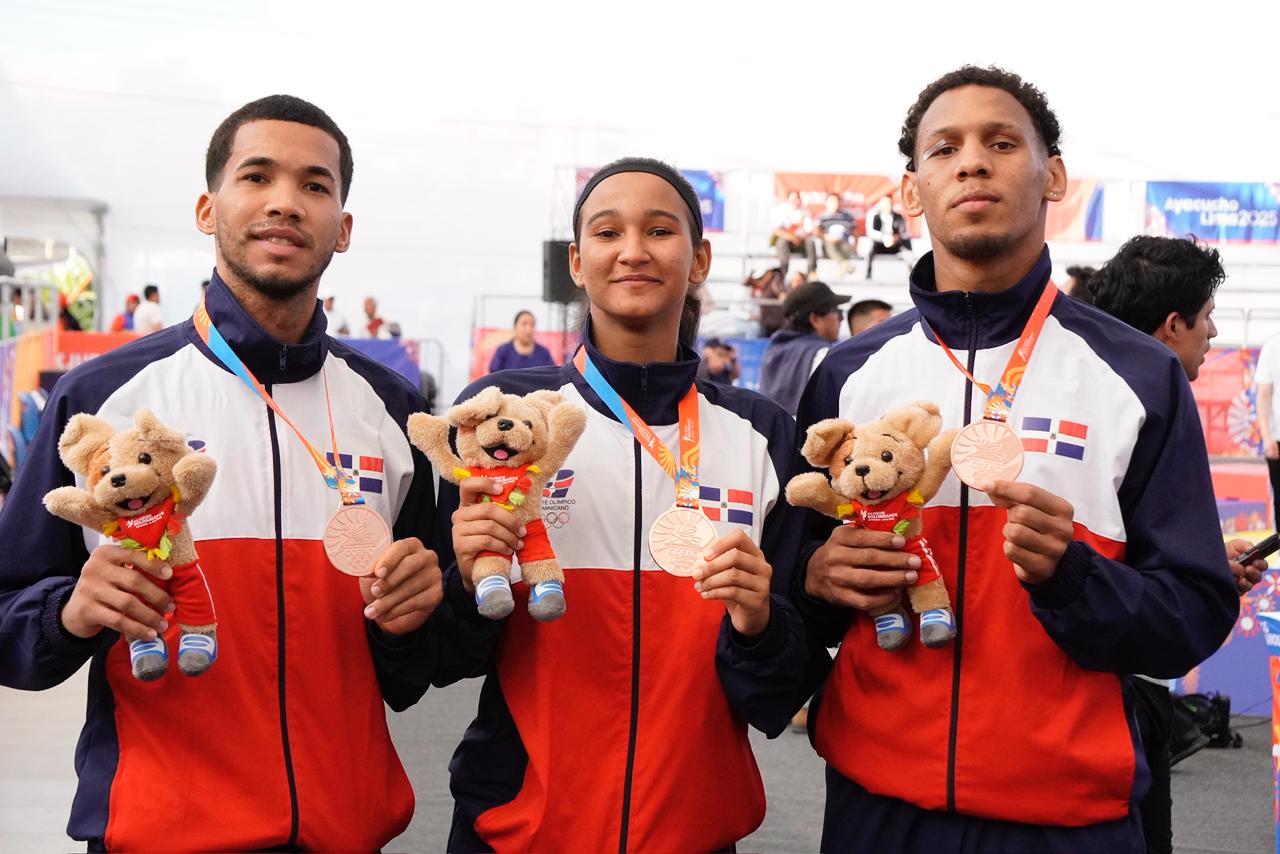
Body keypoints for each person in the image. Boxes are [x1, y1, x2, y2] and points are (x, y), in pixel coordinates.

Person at [0, 94, 485, 851]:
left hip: (346, 832)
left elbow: (414, 666)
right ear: (208, 207)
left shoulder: (391, 411)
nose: (285, 203)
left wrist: (409, 623)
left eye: (315, 186)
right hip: (159, 834)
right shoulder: (102, 401)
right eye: (257, 177)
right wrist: (70, 611)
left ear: (343, 228)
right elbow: (8, 620)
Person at [795, 65, 1238, 853]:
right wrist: (819, 577)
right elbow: (799, 588)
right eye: (945, 149)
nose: (972, 163)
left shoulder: (1139, 375)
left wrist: (1076, 578)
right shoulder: (846, 373)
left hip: (1069, 817)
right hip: (877, 808)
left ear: (1053, 176)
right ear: (911, 191)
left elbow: (1195, 611)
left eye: (1001, 143)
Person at [439, 157, 815, 852]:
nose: (634, 250)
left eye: (660, 230)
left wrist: (759, 622)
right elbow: (437, 654)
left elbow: (780, 692)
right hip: (518, 828)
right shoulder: (505, 420)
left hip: (692, 832)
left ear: (699, 259)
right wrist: (463, 583)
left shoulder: (764, 435)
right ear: (579, 263)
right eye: (608, 232)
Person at [1090, 233, 1268, 854]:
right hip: (1116, 691)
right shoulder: (1143, 397)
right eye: (1208, 320)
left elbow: (1115, 542)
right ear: (1173, 325)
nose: (1214, 335)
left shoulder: (1083, 385)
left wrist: (1200, 565)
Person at [758, 280, 848, 415]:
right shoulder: (822, 355)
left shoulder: (774, 349)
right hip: (805, 433)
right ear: (815, 319)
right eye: (837, 311)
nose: (841, 319)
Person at [1257, 335, 1280, 527]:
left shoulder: (1272, 347)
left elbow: (1264, 394)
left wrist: (1267, 436)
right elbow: (1263, 394)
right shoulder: (1272, 348)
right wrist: (1266, 435)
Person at [864, 195, 915, 279]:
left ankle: (911, 273)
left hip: (895, 244)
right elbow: (870, 232)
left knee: (907, 244)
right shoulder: (874, 215)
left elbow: (905, 233)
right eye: (885, 203)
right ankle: (868, 272)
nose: (887, 205)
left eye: (889, 203)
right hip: (879, 243)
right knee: (869, 245)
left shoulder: (899, 217)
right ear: (880, 204)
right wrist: (884, 237)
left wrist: (897, 237)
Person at [488, 309, 556, 372]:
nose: (529, 329)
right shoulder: (503, 351)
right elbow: (494, 376)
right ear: (515, 327)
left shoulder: (543, 353)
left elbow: (552, 374)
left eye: (532, 325)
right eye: (524, 324)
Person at [772, 190, 817, 277]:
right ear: (788, 199)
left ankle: (811, 272)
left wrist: (800, 237)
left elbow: (809, 230)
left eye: (797, 198)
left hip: (802, 242)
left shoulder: (805, 212)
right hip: (788, 241)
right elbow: (777, 230)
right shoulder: (781, 210)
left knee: (810, 242)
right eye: (792, 198)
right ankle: (782, 272)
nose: (795, 201)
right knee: (781, 242)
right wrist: (792, 237)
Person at [816, 192, 860, 276]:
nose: (834, 204)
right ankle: (845, 265)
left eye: (836, 201)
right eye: (832, 201)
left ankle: (845, 265)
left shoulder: (847, 216)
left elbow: (855, 232)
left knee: (847, 247)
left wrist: (856, 245)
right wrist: (826, 236)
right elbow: (817, 232)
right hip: (828, 242)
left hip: (844, 242)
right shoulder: (822, 217)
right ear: (826, 203)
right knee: (830, 246)